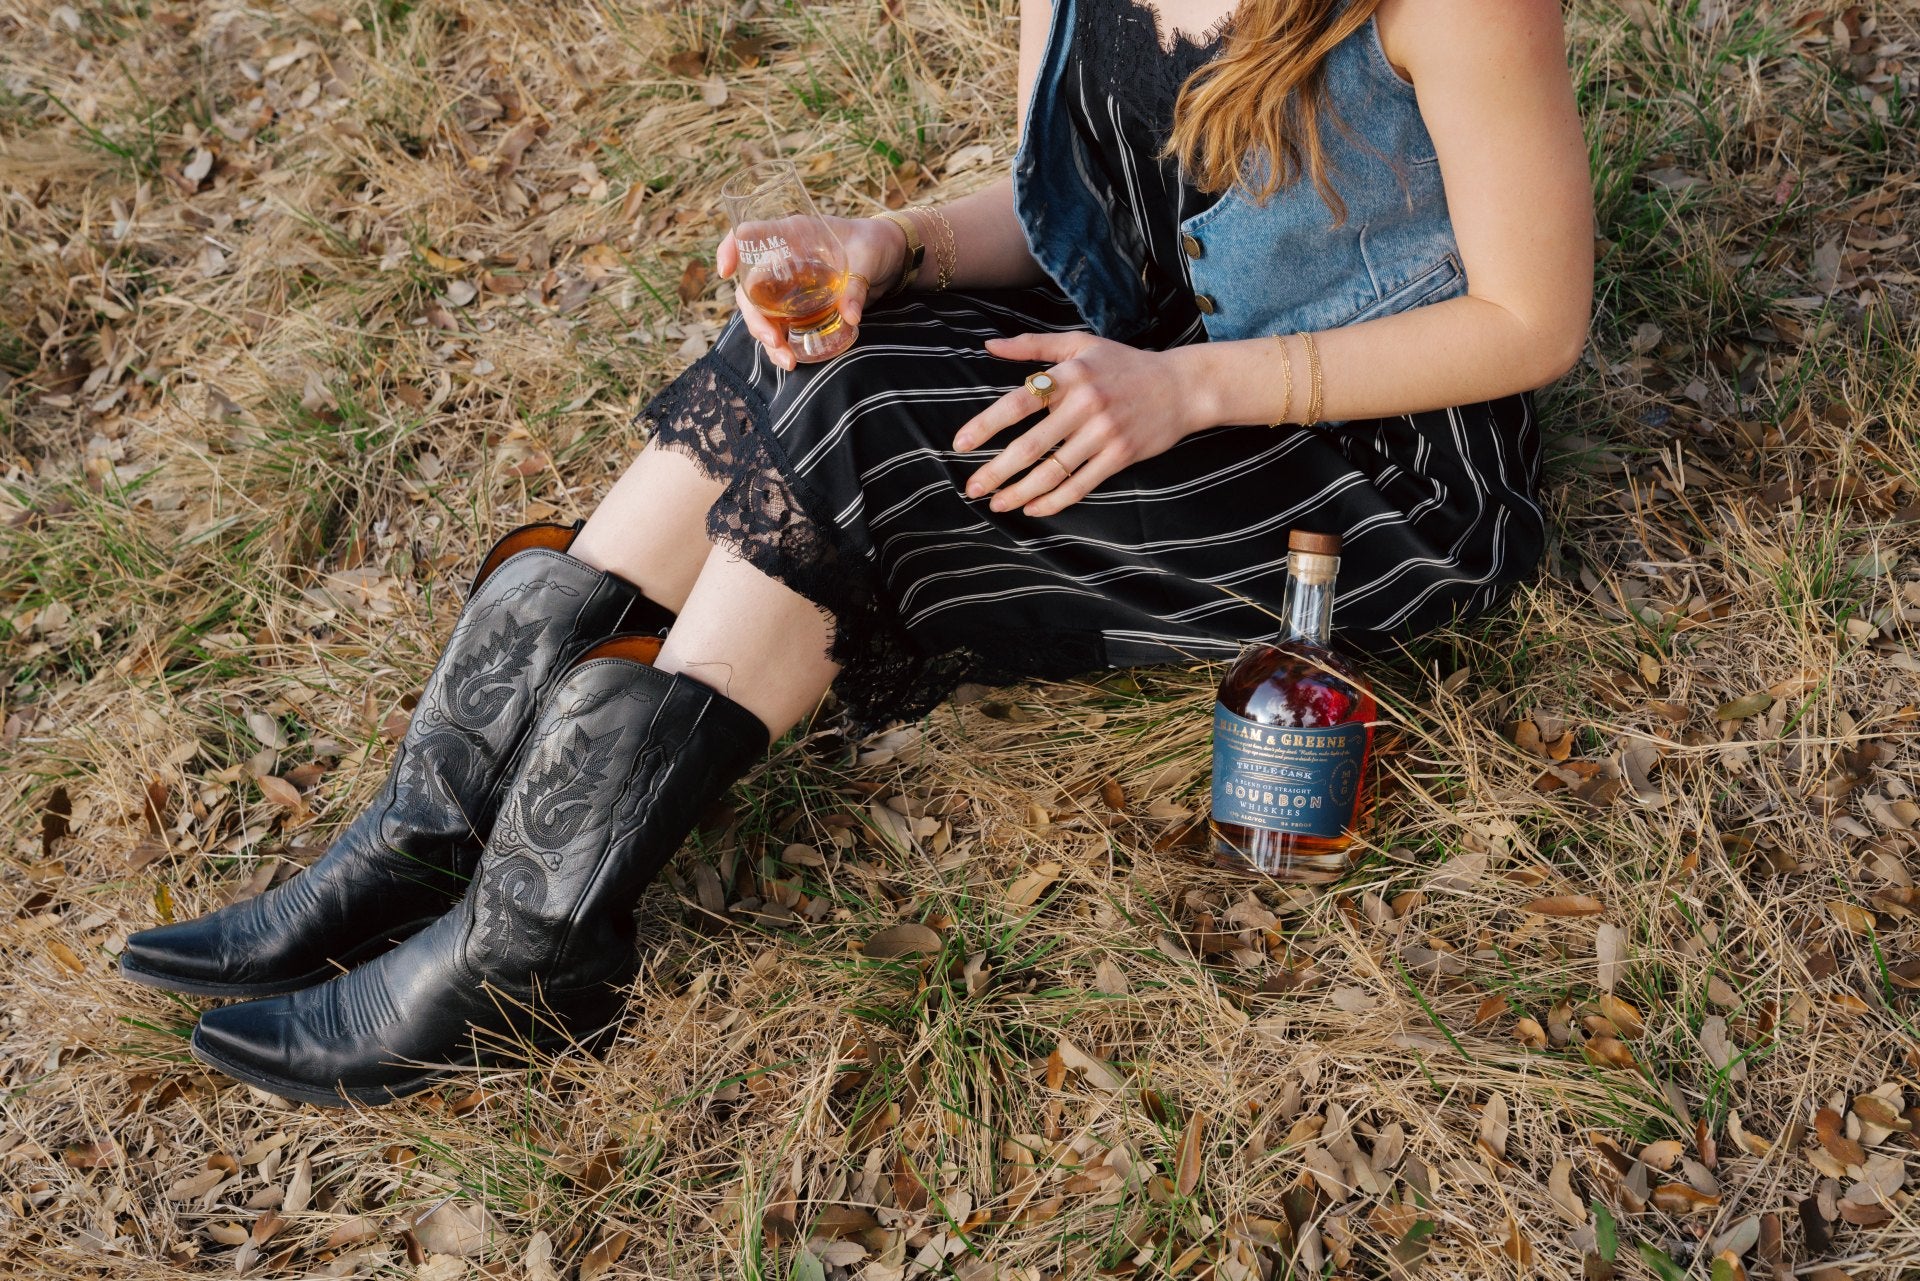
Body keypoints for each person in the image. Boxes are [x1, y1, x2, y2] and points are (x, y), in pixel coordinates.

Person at [119, 0, 1593, 1105]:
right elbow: (1060, 205)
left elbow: (1535, 320)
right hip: (1140, 366)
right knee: (827, 340)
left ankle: (529, 945)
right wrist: (897, 246)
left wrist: (1192, 390)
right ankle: (428, 834)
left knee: (870, 424)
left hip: (1368, 467)